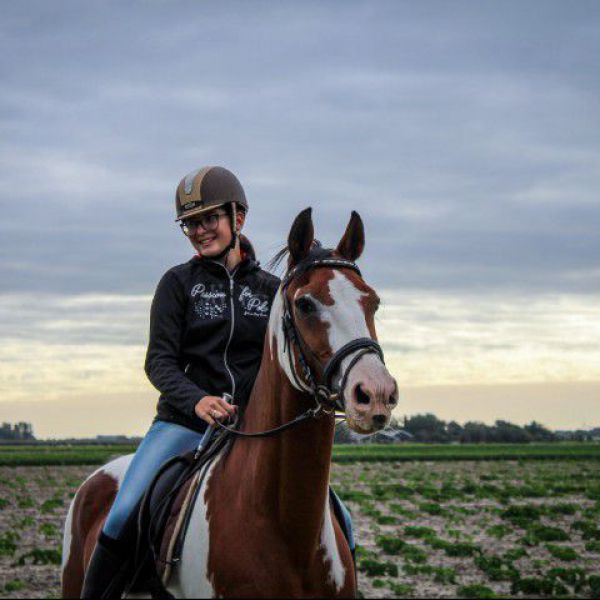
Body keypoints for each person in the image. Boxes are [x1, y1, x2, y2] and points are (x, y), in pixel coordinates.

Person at [82, 165, 280, 598]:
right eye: (191, 223)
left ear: (237, 217)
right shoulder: (176, 284)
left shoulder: (272, 291)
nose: (200, 230)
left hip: (253, 428)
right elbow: (159, 362)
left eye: (210, 218)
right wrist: (198, 400)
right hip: (183, 424)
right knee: (121, 514)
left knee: (337, 514)